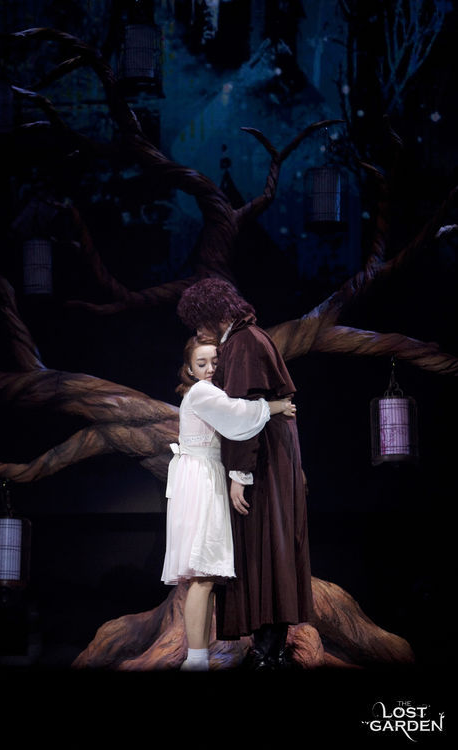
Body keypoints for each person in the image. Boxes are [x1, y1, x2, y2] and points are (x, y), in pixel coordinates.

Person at [177, 278, 314, 670]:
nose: (199, 332)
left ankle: (267, 651)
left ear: (214, 315)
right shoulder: (252, 337)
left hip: (261, 458)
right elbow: (252, 405)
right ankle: (269, 647)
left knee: (263, 546)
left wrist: (240, 473)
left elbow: (242, 411)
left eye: (200, 323)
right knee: (270, 545)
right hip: (270, 453)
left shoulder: (241, 342)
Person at [161, 335, 297, 671]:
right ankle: (195, 660)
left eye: (215, 362)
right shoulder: (203, 392)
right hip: (201, 482)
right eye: (201, 363)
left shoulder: (207, 392)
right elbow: (238, 414)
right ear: (189, 369)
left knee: (206, 577)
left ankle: (198, 657)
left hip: (204, 479)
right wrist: (276, 406)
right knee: (202, 576)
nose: (209, 369)